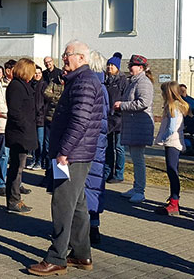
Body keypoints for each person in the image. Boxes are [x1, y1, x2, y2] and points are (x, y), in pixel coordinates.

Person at [28, 41, 105, 276]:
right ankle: (82, 254)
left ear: (81, 58)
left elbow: (79, 122)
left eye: (67, 55)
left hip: (73, 155)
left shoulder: (84, 83)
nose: (63, 58)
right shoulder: (79, 81)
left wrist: (65, 151)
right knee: (78, 203)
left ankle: (56, 257)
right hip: (76, 153)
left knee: (62, 203)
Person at [116, 54, 154, 203]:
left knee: (138, 160)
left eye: (132, 65)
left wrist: (122, 105)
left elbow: (143, 102)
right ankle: (136, 187)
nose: (129, 68)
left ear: (140, 67)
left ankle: (140, 190)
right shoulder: (134, 81)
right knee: (135, 158)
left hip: (140, 126)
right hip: (134, 126)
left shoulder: (143, 82)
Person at [5, 58, 38, 213]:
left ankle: (15, 197)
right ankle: (13, 200)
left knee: (19, 167)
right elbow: (15, 111)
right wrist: (25, 126)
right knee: (16, 169)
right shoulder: (16, 86)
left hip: (23, 133)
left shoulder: (23, 85)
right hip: (19, 134)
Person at [154, 81, 190, 216]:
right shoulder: (174, 106)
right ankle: (173, 200)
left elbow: (171, 127)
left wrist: (163, 137)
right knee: (171, 170)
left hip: (172, 142)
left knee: (172, 171)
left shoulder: (173, 107)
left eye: (164, 92)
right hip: (172, 141)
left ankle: (175, 202)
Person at [84, 50, 109, 244]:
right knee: (95, 183)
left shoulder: (90, 86)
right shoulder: (103, 87)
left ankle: (87, 228)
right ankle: (94, 226)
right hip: (99, 143)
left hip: (88, 142)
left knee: (86, 184)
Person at [0, 59, 16, 195]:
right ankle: (0, 183)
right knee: (3, 155)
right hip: (4, 126)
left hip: (17, 127)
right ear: (8, 71)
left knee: (17, 158)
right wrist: (13, 112)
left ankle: (16, 184)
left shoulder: (20, 85)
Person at [104, 53, 128, 183]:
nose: (109, 67)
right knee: (108, 147)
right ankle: (107, 171)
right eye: (108, 65)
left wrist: (120, 108)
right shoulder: (105, 80)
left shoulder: (123, 81)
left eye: (112, 65)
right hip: (108, 118)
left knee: (119, 147)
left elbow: (126, 97)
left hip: (119, 117)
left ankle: (119, 174)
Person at [29, 65, 47, 170]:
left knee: (40, 142)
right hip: (31, 119)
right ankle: (34, 159)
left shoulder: (44, 85)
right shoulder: (30, 85)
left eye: (39, 73)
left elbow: (47, 102)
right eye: (36, 73)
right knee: (33, 141)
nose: (37, 75)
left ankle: (40, 161)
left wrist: (42, 112)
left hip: (41, 119)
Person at [179, 84, 194, 154]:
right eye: (181, 90)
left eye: (184, 90)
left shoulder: (191, 99)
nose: (183, 92)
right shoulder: (180, 101)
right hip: (187, 120)